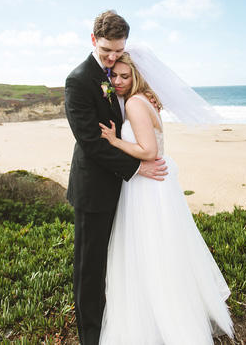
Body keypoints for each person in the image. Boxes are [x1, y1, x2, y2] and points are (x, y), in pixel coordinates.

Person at [97, 48, 234, 344]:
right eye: (113, 75)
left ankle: (157, 320)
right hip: (157, 185)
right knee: (163, 247)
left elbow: (149, 152)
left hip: (146, 186)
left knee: (148, 249)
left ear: (137, 76)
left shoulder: (134, 102)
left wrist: (114, 140)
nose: (117, 81)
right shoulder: (147, 100)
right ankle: (171, 311)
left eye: (124, 75)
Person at [64, 10, 167, 345]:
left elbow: (128, 101)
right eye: (106, 49)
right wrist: (138, 168)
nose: (112, 57)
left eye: (117, 49)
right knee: (90, 266)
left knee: (117, 259)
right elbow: (91, 142)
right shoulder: (79, 80)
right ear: (93, 40)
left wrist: (147, 97)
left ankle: (116, 322)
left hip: (121, 188)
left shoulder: (116, 73)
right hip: (94, 188)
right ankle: (90, 337)